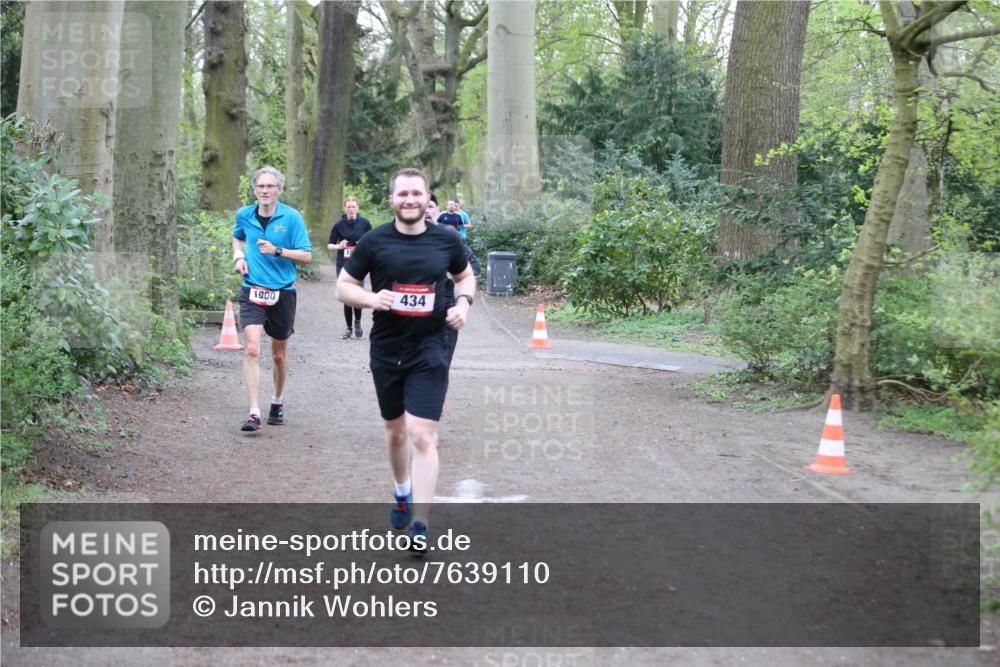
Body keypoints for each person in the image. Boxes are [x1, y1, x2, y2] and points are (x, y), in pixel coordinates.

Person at [336, 169, 474, 552]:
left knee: (421, 435)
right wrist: (370, 299)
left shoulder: (446, 239)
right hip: (387, 348)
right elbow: (343, 287)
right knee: (396, 432)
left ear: (426, 197)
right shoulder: (374, 241)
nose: (410, 199)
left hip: (431, 345)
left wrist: (464, 303)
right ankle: (401, 490)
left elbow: (465, 278)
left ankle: (421, 523)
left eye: (416, 193)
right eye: (402, 194)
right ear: (392, 199)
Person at [232, 166, 312, 432]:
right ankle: (254, 413)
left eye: (270, 186)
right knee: (252, 348)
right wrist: (239, 257)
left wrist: (278, 251)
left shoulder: (291, 218)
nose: (265, 191)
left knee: (278, 354)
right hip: (252, 288)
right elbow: (237, 238)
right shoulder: (244, 214)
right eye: (261, 186)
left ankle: (277, 401)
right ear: (254, 189)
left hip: (282, 291)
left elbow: (306, 256)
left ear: (279, 189)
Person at [327, 196, 373, 339]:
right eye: (349, 207)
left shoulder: (365, 223)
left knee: (357, 294)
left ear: (357, 208)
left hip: (359, 263)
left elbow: (373, 243)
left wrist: (363, 245)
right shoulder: (339, 224)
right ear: (345, 208)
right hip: (343, 263)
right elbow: (329, 245)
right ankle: (348, 328)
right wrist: (338, 246)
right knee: (346, 296)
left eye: (353, 206)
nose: (351, 209)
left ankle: (358, 322)